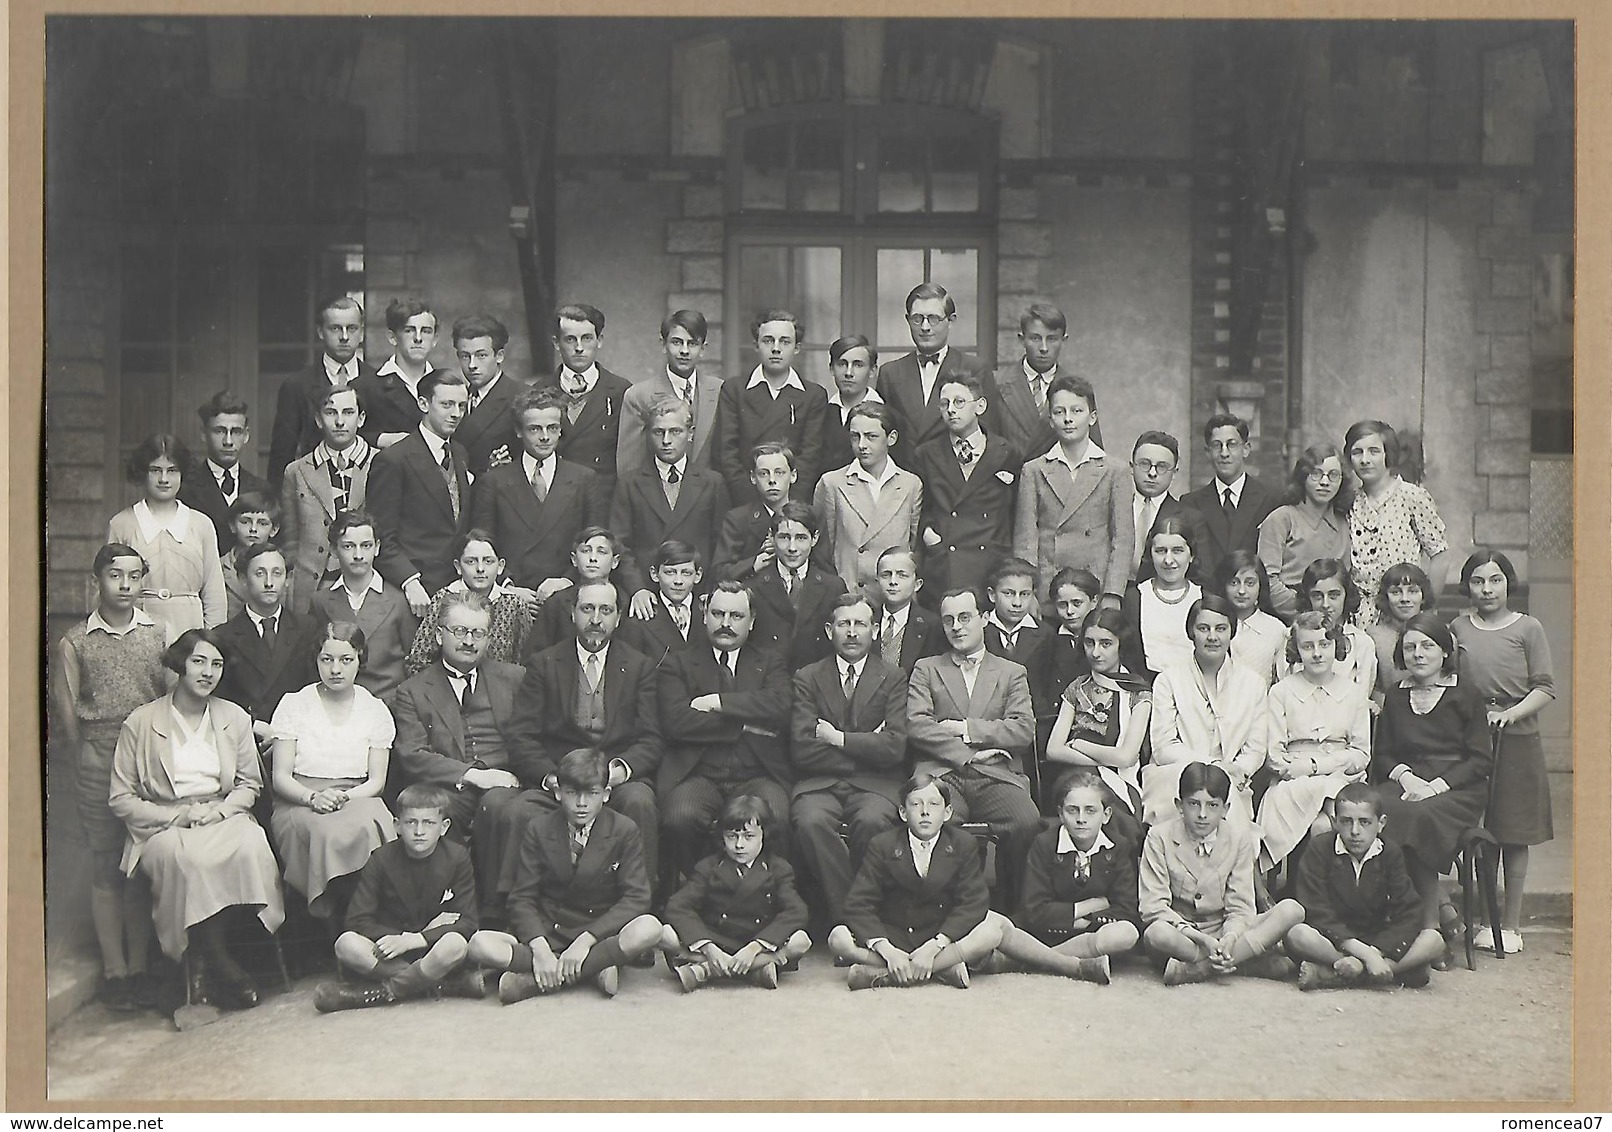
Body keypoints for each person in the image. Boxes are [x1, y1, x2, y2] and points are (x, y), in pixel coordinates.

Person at [108, 629, 285, 1010]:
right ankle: (216, 963)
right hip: (164, 823)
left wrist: (219, 811)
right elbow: (121, 799)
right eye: (199, 661)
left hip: (222, 815)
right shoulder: (141, 722)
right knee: (187, 861)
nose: (208, 672)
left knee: (252, 845)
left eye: (217, 664)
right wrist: (179, 815)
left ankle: (208, 959)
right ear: (180, 665)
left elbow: (248, 784)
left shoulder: (232, 717)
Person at [50, 544, 170, 1011]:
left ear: (143, 581)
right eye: (114, 575)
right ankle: (114, 971)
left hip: (147, 759)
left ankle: (140, 968)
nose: (124, 585)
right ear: (96, 581)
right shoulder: (75, 641)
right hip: (99, 755)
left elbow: (168, 699)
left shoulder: (157, 634)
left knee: (138, 863)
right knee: (105, 863)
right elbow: (67, 715)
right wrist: (89, 758)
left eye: (133, 576)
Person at [502, 580, 663, 902]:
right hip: (558, 780)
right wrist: (551, 779)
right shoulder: (544, 663)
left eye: (606, 610)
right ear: (573, 613)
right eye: (587, 609)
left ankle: (640, 909)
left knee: (640, 802)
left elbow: (650, 738)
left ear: (618, 618)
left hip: (614, 780)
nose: (596, 619)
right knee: (517, 812)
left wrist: (617, 774)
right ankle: (515, 911)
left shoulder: (638, 666)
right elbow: (521, 734)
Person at [466, 748, 662, 1001]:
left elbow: (636, 898)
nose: (581, 803)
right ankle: (592, 970)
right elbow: (522, 897)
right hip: (551, 932)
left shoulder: (624, 829)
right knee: (479, 944)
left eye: (591, 793)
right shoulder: (539, 828)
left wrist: (586, 940)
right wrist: (540, 949)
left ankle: (535, 981)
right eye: (572, 793)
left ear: (606, 794)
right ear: (558, 792)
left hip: (596, 933)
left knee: (650, 928)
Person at [1450, 550, 1555, 954]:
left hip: (1517, 737)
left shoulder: (1528, 628)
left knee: (1514, 832)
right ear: (1468, 586)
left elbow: (1545, 688)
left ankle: (1510, 925)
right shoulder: (1459, 626)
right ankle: (1480, 920)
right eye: (1478, 581)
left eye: (1495, 580)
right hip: (1473, 738)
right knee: (1481, 832)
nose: (1487, 589)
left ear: (1508, 583)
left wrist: (1509, 714)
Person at [906, 587, 1040, 904]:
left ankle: (1011, 909)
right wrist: (971, 754)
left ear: (984, 618)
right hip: (942, 774)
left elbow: (1023, 730)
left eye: (965, 617)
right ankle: (944, 909)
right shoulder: (927, 668)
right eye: (949, 619)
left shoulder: (1011, 672)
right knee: (933, 820)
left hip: (997, 775)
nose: (957, 627)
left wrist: (965, 729)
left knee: (1026, 821)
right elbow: (917, 725)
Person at [1371, 613, 1494, 950]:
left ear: (1444, 652)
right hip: (1406, 784)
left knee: (1417, 817)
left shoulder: (1466, 694)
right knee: (1373, 811)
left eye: (1427, 646)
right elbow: (1383, 755)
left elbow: (1479, 760)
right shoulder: (1396, 694)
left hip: (1456, 790)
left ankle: (1429, 929)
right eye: (1410, 648)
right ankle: (1429, 917)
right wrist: (1409, 780)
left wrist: (1434, 787)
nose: (1418, 654)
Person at [389, 592, 526, 891]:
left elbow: (532, 737)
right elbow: (412, 754)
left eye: (478, 633)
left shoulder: (515, 679)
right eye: (460, 631)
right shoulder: (412, 690)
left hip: (508, 781)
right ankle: (449, 905)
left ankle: (496, 909)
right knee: (435, 812)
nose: (468, 641)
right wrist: (475, 775)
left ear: (489, 638)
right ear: (439, 635)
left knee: (500, 806)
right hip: (453, 786)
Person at [657, 581, 794, 877]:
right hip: (698, 775)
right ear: (704, 615)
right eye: (718, 614)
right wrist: (743, 723)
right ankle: (696, 895)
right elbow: (676, 721)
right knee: (679, 817)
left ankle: (763, 898)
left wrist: (717, 702)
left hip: (757, 774)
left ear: (752, 620)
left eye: (736, 616)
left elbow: (780, 708)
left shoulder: (770, 662)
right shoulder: (678, 663)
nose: (726, 624)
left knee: (777, 816)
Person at [789, 593, 907, 927]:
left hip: (876, 786)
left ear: (875, 629)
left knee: (872, 822)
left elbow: (895, 747)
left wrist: (836, 739)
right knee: (810, 822)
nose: (852, 632)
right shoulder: (807, 677)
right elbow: (801, 747)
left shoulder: (893, 677)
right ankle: (854, 918)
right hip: (819, 785)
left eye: (860, 624)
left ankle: (854, 918)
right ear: (830, 630)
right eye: (844, 624)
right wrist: (869, 747)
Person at [313, 784, 485, 1012]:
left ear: (444, 827)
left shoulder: (457, 857)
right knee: (346, 944)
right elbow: (357, 921)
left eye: (428, 823)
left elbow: (468, 922)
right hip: (392, 950)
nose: (419, 831)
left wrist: (417, 939)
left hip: (432, 948)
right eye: (411, 822)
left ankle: (385, 992)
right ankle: (440, 984)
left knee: (455, 944)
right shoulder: (381, 859)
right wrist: (401, 939)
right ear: (397, 825)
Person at [268, 621, 396, 925]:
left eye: (345, 660)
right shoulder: (294, 704)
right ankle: (335, 925)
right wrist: (313, 797)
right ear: (317, 660)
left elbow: (377, 782)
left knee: (371, 824)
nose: (335, 669)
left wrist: (341, 797)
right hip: (299, 801)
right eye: (327, 659)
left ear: (359, 659)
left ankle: (365, 922)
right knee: (326, 833)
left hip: (358, 797)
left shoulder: (375, 709)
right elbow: (280, 777)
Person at [829, 774, 1009, 990]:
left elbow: (973, 902)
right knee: (838, 938)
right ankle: (943, 969)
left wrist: (935, 946)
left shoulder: (962, 843)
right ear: (903, 813)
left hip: (937, 934)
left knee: (990, 933)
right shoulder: (882, 844)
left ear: (948, 812)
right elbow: (859, 903)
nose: (925, 812)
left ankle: (889, 973)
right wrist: (887, 950)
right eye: (916, 804)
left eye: (934, 804)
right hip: (894, 934)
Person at [1139, 762, 1303, 986]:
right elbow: (1153, 907)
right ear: (1179, 805)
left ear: (1225, 809)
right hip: (1184, 935)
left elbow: (1240, 906)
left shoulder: (1238, 839)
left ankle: (1201, 969)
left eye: (1212, 805)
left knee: (1291, 910)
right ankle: (1242, 961)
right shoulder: (1159, 837)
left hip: (1224, 931)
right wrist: (1201, 939)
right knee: (1156, 934)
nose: (1202, 814)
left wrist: (1229, 937)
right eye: (1194, 804)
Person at [1283, 782, 1443, 990]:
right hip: (1333, 939)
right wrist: (1362, 952)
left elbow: (1409, 912)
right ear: (1334, 822)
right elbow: (1315, 909)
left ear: (1381, 823)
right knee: (1297, 934)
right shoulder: (1320, 848)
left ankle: (1341, 972)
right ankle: (1389, 971)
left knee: (1434, 939)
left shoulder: (1390, 853)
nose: (1355, 831)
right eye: (1346, 821)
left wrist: (1375, 952)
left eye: (1365, 822)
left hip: (1375, 939)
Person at [1256, 613, 1371, 876]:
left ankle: (1328, 893)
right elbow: (1274, 756)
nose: (1317, 653)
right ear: (1297, 650)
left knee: (1323, 824)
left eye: (1325, 644)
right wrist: (1300, 770)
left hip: (1341, 779)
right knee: (1319, 806)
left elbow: (1361, 754)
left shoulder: (1353, 693)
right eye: (1308, 646)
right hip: (1291, 785)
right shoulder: (1281, 692)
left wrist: (1314, 765)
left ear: (1337, 647)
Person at [660, 795, 812, 991]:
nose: (739, 845)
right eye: (732, 836)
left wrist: (755, 947)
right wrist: (708, 947)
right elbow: (678, 905)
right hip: (717, 941)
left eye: (749, 836)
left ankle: (707, 970)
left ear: (764, 835)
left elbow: (796, 911)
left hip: (756, 942)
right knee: (665, 934)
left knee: (801, 940)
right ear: (722, 837)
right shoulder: (708, 867)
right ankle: (756, 969)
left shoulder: (778, 868)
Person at [1005, 769, 1141, 983]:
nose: (1080, 819)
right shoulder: (1044, 844)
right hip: (1044, 933)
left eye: (1090, 811)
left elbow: (1126, 908)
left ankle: (1031, 960)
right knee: (1001, 929)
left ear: (1105, 815)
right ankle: (1063, 961)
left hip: (1092, 935)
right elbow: (1033, 910)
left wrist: (1084, 921)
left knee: (1126, 933)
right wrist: (1090, 906)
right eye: (1072, 810)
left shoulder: (1117, 847)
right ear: (1060, 814)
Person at [468, 385, 605, 595]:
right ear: (518, 431)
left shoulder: (584, 478)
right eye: (535, 429)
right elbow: (482, 544)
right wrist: (507, 587)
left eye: (552, 428)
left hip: (567, 594)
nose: (545, 437)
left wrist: (566, 581)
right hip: (512, 596)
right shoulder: (494, 481)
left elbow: (595, 541)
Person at [1144, 596, 1268, 827]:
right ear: (1191, 633)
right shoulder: (1168, 680)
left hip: (1232, 780)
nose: (1212, 637)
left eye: (1221, 629)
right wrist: (1216, 766)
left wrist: (1239, 771)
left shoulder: (1253, 684)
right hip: (1175, 776)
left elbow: (1256, 748)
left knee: (1233, 830)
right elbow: (1163, 747)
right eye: (1203, 628)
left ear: (1232, 632)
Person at [1012, 374, 1132, 606]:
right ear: (1050, 420)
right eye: (1059, 412)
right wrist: (1029, 595)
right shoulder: (1034, 470)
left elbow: (1123, 540)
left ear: (1092, 417)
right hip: (1049, 593)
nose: (1068, 419)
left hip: (1095, 590)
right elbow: (1026, 542)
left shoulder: (1115, 471)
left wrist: (1112, 594)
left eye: (1076, 411)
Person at [611, 395, 731, 621]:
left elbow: (721, 545)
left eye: (675, 432)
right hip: (648, 596)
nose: (666, 440)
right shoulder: (630, 483)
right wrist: (637, 589)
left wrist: (711, 591)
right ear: (649, 434)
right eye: (659, 432)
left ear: (690, 434)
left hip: (698, 595)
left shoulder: (712, 482)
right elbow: (620, 544)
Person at [367, 368, 473, 613]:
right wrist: (409, 582)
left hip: (458, 588)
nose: (456, 414)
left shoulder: (459, 453)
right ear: (423, 403)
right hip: (416, 593)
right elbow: (381, 538)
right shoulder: (393, 460)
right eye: (447, 404)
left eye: (462, 405)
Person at [1044, 607, 1152, 844]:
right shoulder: (1077, 688)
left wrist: (1080, 745)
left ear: (1120, 644)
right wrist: (1103, 761)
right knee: (1083, 799)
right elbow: (1053, 750)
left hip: (1120, 779)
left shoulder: (1138, 692)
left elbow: (1126, 758)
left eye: (1105, 644)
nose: (1096, 652)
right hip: (1073, 776)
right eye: (1089, 643)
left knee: (1119, 821)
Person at [107, 433, 228, 636]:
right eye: (155, 470)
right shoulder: (122, 524)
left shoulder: (201, 524)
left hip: (189, 627)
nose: (164, 479)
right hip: (136, 628)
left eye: (172, 471)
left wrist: (210, 641)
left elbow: (214, 592)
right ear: (142, 473)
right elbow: (109, 588)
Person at [912, 373, 1021, 594]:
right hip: (945, 563)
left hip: (991, 563)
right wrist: (930, 538)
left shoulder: (1007, 452)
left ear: (980, 406)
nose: (951, 409)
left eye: (959, 402)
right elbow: (920, 510)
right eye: (944, 404)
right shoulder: (926, 454)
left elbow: (1015, 513)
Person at [278, 381, 376, 613]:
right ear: (319, 419)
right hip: (311, 588)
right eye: (331, 413)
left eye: (348, 412)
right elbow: (291, 539)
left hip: (364, 584)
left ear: (360, 419)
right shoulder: (297, 470)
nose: (340, 421)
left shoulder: (381, 464)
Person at [714, 309, 829, 503]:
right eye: (768, 341)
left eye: (785, 342)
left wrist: (788, 505)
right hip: (745, 503)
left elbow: (810, 458)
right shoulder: (734, 390)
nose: (776, 348)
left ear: (797, 348)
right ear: (756, 346)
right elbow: (727, 454)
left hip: (792, 505)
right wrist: (751, 504)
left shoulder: (813, 395)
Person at [213, 543, 320, 751]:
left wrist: (285, 734)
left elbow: (314, 692)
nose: (269, 583)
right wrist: (253, 725)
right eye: (260, 574)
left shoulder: (308, 629)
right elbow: (219, 702)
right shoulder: (222, 636)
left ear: (288, 580)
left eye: (277, 573)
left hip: (299, 741)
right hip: (244, 741)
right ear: (243, 579)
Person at [1344, 419, 1451, 627]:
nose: (1365, 460)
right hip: (1358, 618)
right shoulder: (1348, 502)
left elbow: (1440, 555)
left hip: (1402, 613)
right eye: (1357, 452)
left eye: (1374, 451)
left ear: (1388, 454)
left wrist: (1425, 607)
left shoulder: (1412, 497)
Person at [874, 282, 997, 459]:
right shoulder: (890, 373)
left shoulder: (975, 369)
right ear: (908, 320)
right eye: (917, 319)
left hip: (952, 476)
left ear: (951, 320)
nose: (925, 327)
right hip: (904, 479)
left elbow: (989, 433)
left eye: (933, 318)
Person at [811, 401, 921, 595]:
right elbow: (822, 549)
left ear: (891, 438)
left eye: (871, 437)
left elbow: (912, 545)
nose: (862, 445)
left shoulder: (910, 485)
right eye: (855, 436)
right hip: (849, 598)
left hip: (892, 597)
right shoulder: (832, 483)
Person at [311, 510, 419, 704]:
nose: (358, 555)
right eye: (348, 546)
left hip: (388, 704)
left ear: (377, 548)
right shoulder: (321, 601)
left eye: (366, 546)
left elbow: (413, 663)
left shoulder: (398, 600)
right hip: (336, 705)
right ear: (334, 551)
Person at [268, 295, 373, 491]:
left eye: (352, 328)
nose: (344, 337)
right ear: (320, 332)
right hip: (314, 493)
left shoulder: (377, 381)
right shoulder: (297, 385)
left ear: (362, 333)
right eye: (335, 328)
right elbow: (282, 455)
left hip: (365, 491)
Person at [404, 530, 535, 676]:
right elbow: (419, 660)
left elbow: (524, 660)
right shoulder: (444, 599)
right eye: (471, 561)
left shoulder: (514, 605)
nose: (480, 569)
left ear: (500, 566)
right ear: (458, 567)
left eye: (488, 561)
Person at [616, 310, 723, 480]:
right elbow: (629, 467)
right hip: (657, 497)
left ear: (703, 348)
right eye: (676, 342)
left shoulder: (719, 391)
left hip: (706, 498)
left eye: (692, 344)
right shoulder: (638, 396)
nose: (684, 351)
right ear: (663, 344)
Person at [542, 303, 632, 498]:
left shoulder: (621, 391)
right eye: (570, 339)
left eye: (587, 338)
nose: (579, 348)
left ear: (599, 340)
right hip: (554, 499)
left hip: (602, 500)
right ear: (556, 343)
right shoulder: (540, 391)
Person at [1258, 442, 1353, 618]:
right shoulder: (1281, 519)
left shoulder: (1343, 523)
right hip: (1287, 617)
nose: (1324, 482)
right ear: (1303, 477)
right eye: (1316, 474)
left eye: (1333, 475)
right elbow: (1267, 580)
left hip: (1332, 616)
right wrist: (1307, 612)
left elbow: (1345, 581)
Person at [1179, 414, 1281, 572]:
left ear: (1246, 449)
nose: (1224, 453)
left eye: (1232, 444)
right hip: (1207, 594)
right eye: (1216, 445)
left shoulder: (1270, 499)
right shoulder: (1191, 503)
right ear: (1207, 452)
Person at [745, 502, 841, 672]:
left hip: (815, 683)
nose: (792, 548)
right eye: (784, 537)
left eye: (801, 538)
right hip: (769, 683)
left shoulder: (832, 587)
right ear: (771, 537)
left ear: (815, 538)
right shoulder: (754, 586)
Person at [993, 303, 1086, 461]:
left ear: (1064, 340)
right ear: (1022, 339)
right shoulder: (997, 384)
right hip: (1011, 481)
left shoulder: (1078, 390)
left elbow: (1092, 454)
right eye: (1035, 338)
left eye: (1052, 339)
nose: (1043, 348)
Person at [180, 391, 267, 555]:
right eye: (219, 431)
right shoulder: (185, 488)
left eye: (236, 432)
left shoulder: (261, 489)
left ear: (246, 435)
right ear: (203, 434)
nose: (228, 441)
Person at [1026, 568, 1102, 754]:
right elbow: (1036, 686)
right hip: (1053, 726)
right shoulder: (1046, 639)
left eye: (1077, 603)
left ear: (1093, 602)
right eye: (1062, 605)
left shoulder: (1106, 641)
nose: (1070, 611)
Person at [1279, 558, 1377, 702]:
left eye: (1333, 596)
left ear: (1346, 595)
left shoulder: (1361, 643)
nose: (1325, 604)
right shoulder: (1291, 636)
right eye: (1317, 596)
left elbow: (1361, 699)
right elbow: (1285, 689)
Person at [522, 527, 625, 657]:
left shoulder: (625, 603)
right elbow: (534, 656)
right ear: (574, 559)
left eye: (601, 552)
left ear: (615, 561)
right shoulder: (556, 603)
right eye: (586, 551)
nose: (593, 558)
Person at [1122, 515, 1202, 680]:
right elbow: (1129, 657)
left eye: (1177, 551)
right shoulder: (1135, 598)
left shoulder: (1203, 596)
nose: (1168, 560)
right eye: (1160, 551)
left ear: (1191, 555)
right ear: (1150, 555)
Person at [353, 298, 435, 449]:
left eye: (426, 331)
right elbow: (346, 437)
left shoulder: (445, 385)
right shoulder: (365, 387)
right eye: (409, 330)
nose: (418, 338)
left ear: (435, 339)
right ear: (392, 338)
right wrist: (381, 439)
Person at [711, 442, 798, 582]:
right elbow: (719, 573)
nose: (772, 480)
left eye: (779, 473)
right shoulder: (738, 520)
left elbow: (824, 569)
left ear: (793, 476)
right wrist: (755, 563)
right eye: (763, 473)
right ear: (753, 477)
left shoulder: (810, 516)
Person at [450, 314, 524, 476]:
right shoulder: (455, 397)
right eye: (465, 356)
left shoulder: (522, 398)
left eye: (481, 355)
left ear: (499, 356)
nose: (472, 365)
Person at [616, 540, 705, 672]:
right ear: (654, 574)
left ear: (698, 575)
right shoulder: (640, 618)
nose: (678, 581)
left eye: (686, 573)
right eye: (670, 572)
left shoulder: (708, 612)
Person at [1129, 430, 1191, 586]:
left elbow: (1198, 574)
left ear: (1174, 472)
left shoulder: (1188, 518)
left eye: (1162, 467)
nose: (1152, 473)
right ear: (1132, 466)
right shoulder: (1114, 507)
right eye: (1144, 464)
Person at [1217, 549, 1286, 689]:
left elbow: (1283, 682)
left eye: (1250, 583)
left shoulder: (1276, 629)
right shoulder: (1213, 623)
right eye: (1234, 583)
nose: (1241, 591)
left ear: (1260, 586)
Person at [870, 547, 944, 676]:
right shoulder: (866, 620)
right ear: (877, 582)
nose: (893, 582)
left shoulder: (932, 625)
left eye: (902, 575)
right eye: (886, 575)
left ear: (917, 584)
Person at [1366, 562, 1436, 696]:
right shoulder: (1373, 637)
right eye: (1396, 592)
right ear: (1386, 597)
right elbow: (1370, 687)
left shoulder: (1439, 634)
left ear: (1423, 596)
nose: (1405, 599)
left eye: (1413, 591)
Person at [820, 335, 884, 474]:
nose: (849, 373)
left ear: (872, 370)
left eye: (858, 365)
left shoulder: (886, 414)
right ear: (831, 368)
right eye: (842, 364)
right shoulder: (822, 411)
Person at [218, 492, 285, 621]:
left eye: (262, 523)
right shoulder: (218, 567)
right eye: (245, 522)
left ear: (274, 529)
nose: (253, 529)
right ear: (232, 525)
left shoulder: (283, 568)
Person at [981, 557, 1047, 668]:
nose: (1017, 603)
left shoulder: (1046, 634)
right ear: (992, 595)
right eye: (1008, 593)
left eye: (1024, 594)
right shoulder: (979, 629)